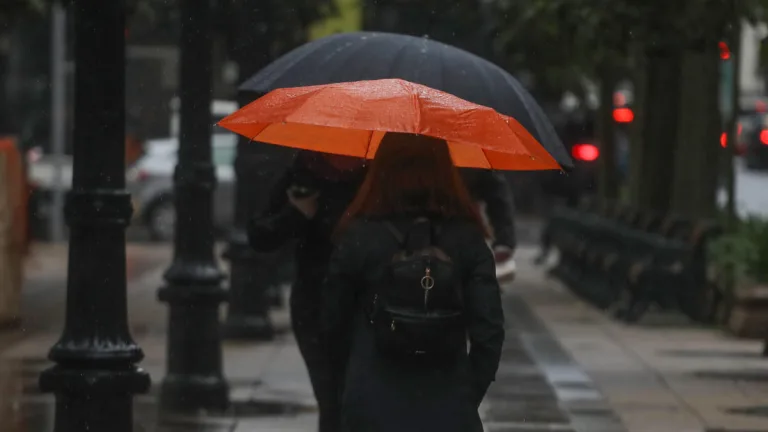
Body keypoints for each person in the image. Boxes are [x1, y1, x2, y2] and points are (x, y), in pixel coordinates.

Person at [320, 132, 505, 432]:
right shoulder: (467, 239)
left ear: (382, 171)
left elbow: (332, 325)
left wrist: (352, 384)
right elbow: (489, 331)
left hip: (372, 401)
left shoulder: (359, 237)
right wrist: (466, 394)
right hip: (448, 403)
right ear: (446, 171)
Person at [247, 150, 367, 432]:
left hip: (366, 303)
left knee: (357, 400)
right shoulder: (305, 169)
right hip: (315, 304)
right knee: (331, 399)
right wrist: (297, 213)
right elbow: (260, 235)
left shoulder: (377, 173)